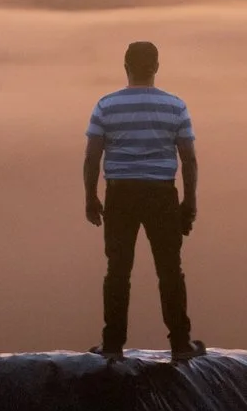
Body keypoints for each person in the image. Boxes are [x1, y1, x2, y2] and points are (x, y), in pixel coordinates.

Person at [83, 40, 205, 364]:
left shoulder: (105, 106)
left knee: (118, 270)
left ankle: (112, 345)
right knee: (169, 270)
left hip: (120, 194)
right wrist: (189, 203)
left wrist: (90, 198)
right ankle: (180, 343)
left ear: (125, 67)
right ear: (156, 68)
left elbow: (92, 156)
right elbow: (189, 159)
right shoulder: (176, 106)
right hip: (161, 194)